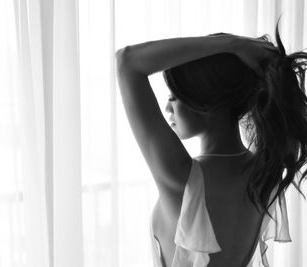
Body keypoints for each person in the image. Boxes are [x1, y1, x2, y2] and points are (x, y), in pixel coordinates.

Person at [115, 16, 307, 267]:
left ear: (206, 103)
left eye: (174, 97)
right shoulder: (266, 169)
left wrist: (232, 45)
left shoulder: (181, 179)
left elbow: (127, 61)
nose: (166, 107)